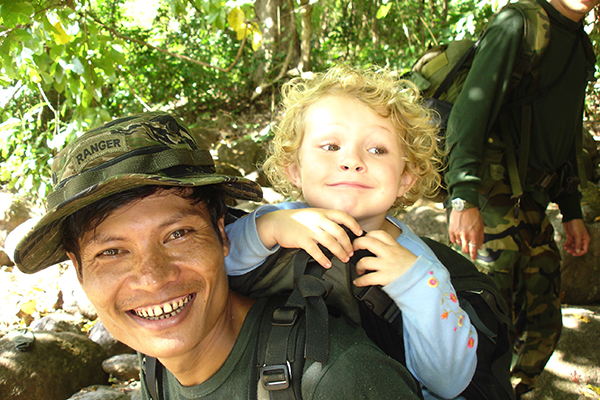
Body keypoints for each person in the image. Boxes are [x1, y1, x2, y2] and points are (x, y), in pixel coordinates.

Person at [12, 112, 422, 399]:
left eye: (177, 234)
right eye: (112, 251)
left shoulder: (337, 378)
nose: (152, 278)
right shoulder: (155, 364)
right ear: (78, 270)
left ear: (223, 236)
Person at [225, 66, 478, 400]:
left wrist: (416, 282)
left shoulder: (418, 265)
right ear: (295, 169)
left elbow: (448, 382)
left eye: (377, 150)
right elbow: (215, 266)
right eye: (330, 146)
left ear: (406, 177)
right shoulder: (279, 221)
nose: (352, 160)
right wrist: (267, 228)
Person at [444, 0, 598, 396]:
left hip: (532, 200)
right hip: (492, 196)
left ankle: (506, 392)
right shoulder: (519, 22)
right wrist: (462, 198)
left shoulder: (581, 46)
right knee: (486, 318)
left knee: (543, 324)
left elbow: (566, 130)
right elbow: (468, 113)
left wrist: (572, 209)